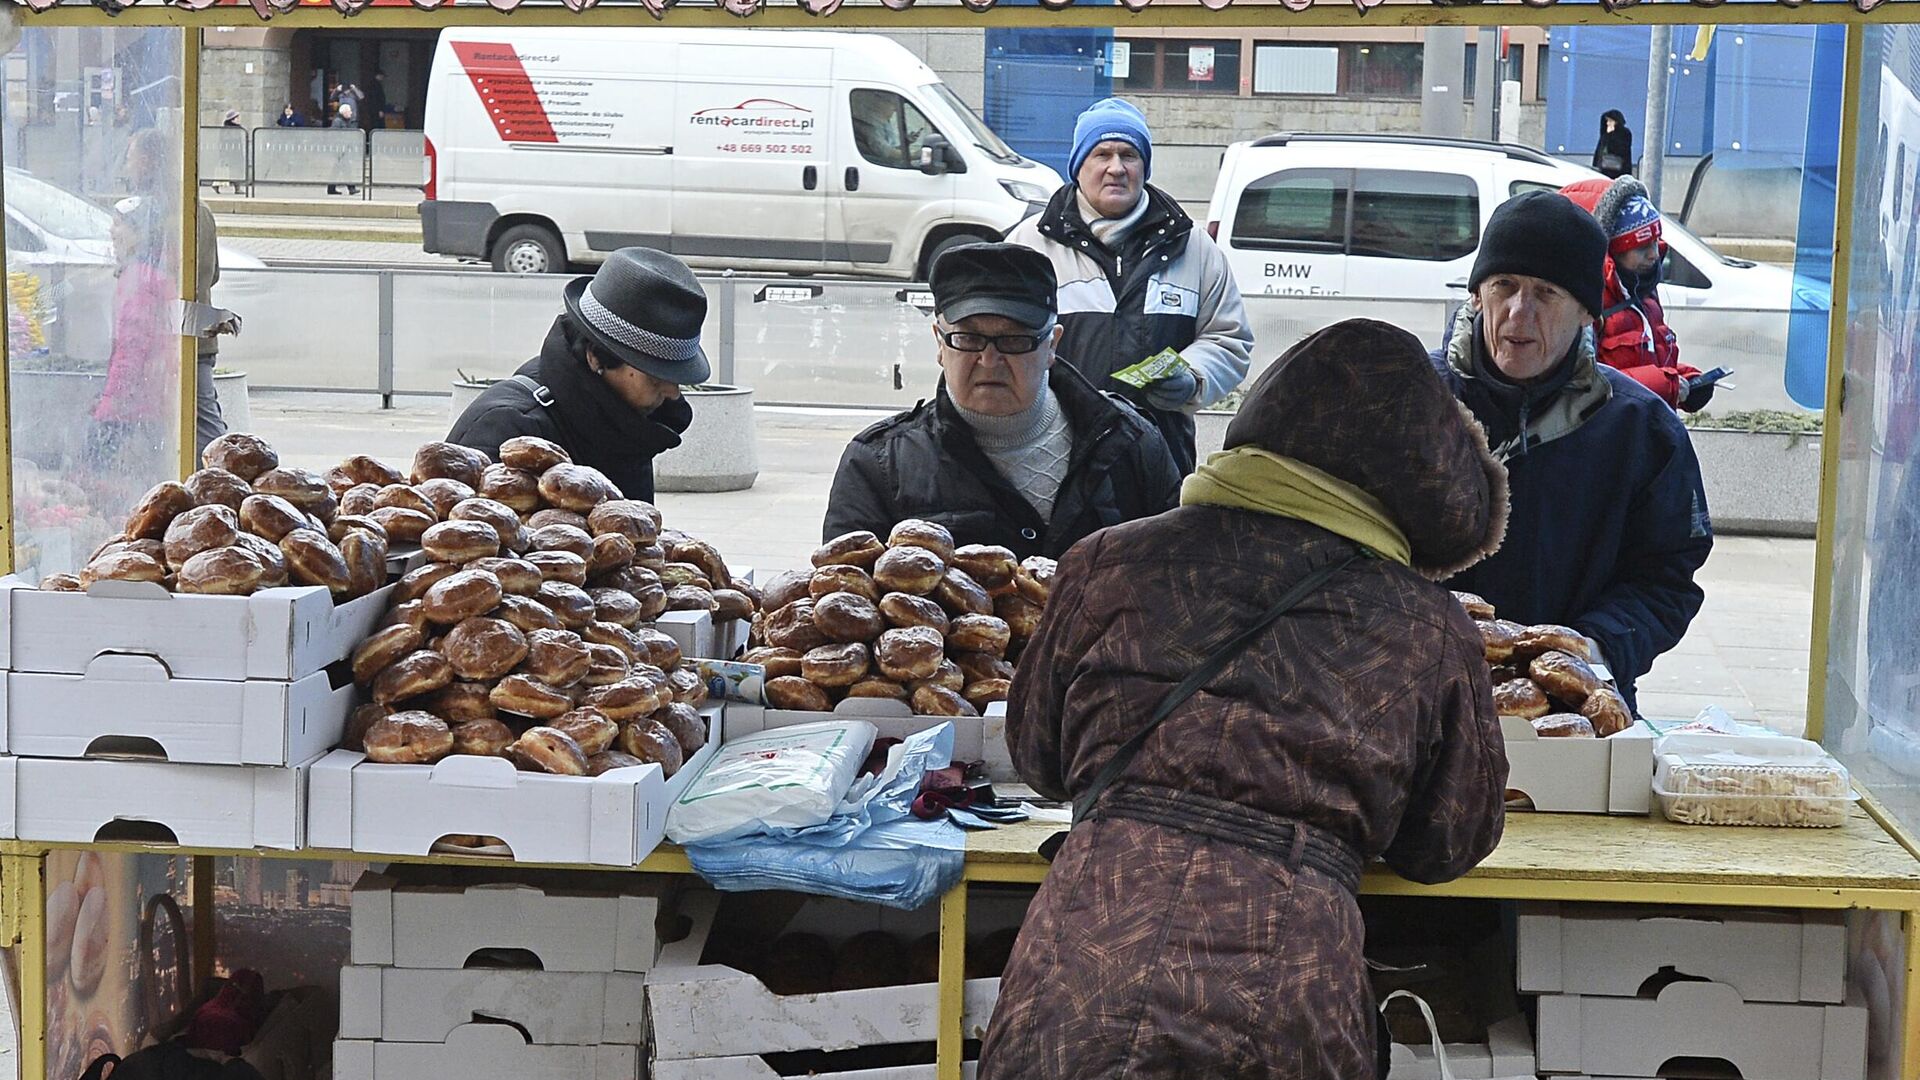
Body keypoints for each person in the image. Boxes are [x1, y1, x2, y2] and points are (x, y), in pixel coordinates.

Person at [979, 318, 1510, 1080]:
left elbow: (1039, 759)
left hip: (1087, 962)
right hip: (1287, 990)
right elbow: (1447, 845)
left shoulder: (1108, 562)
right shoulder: (1430, 630)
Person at [1433, 190, 1712, 712]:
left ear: (1587, 311)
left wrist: (1587, 651)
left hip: (1569, 713)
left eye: (1546, 293)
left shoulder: (1639, 429)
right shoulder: (1414, 399)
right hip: (1419, 700)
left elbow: (1666, 579)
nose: (1519, 311)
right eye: (1504, 286)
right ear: (1476, 296)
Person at [823, 243, 1182, 559]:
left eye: (1014, 340)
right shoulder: (879, 465)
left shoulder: (1129, 443)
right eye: (967, 339)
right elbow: (845, 601)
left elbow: (1180, 579)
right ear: (939, 342)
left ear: (1052, 345)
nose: (989, 360)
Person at [1006, 97, 1251, 476]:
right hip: (1055, 459)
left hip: (1161, 460)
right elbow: (1003, 342)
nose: (1116, 168)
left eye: (1129, 155)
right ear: (1078, 167)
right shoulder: (1029, 244)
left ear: (1145, 167)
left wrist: (1192, 376)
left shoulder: (1194, 247)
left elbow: (1228, 339)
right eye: (1101, 154)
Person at [448, 247, 702, 502]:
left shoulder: (629, 425)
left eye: (676, 375)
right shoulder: (506, 429)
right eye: (655, 376)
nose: (672, 392)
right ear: (595, 357)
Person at [1558, 175, 1712, 413]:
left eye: (1655, 242)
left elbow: (1651, 361)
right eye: (1641, 248)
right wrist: (1665, 384)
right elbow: (1585, 382)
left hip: (1645, 429)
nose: (1653, 255)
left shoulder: (1643, 292)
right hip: (1609, 435)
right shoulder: (1585, 303)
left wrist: (1686, 379)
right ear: (1612, 250)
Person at [123, 128, 227, 457]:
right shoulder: (197, 211)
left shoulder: (167, 219)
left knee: (205, 432)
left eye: (130, 159)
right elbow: (213, 276)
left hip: (179, 339)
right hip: (193, 337)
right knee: (198, 424)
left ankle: (223, 488)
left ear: (148, 161)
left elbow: (165, 284)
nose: (126, 168)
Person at [90, 198, 176, 487]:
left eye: (119, 223)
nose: (112, 232)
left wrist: (110, 401)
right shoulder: (151, 275)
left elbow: (131, 346)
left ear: (139, 233)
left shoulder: (138, 279)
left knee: (94, 472)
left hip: (131, 403)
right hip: (149, 398)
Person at [328, 102, 361, 196]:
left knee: (337, 169)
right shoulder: (338, 121)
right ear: (344, 112)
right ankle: (351, 188)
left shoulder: (345, 121)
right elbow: (335, 135)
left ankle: (331, 188)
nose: (351, 113)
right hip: (340, 150)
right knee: (346, 169)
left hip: (343, 149)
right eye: (349, 111)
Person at [1594, 109, 1635, 179]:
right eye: (1607, 121)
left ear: (1616, 122)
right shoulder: (1605, 134)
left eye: (1610, 121)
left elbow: (1619, 149)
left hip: (1618, 170)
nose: (1607, 123)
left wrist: (1610, 135)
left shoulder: (1625, 133)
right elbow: (1599, 151)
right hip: (1603, 169)